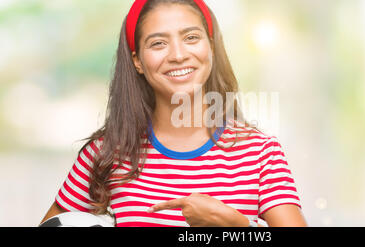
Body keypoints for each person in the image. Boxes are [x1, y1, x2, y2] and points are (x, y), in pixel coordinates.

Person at [41, 0, 307, 227]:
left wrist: (237, 225)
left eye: (191, 37)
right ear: (137, 61)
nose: (178, 55)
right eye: (158, 43)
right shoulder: (106, 153)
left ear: (210, 47)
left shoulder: (261, 153)